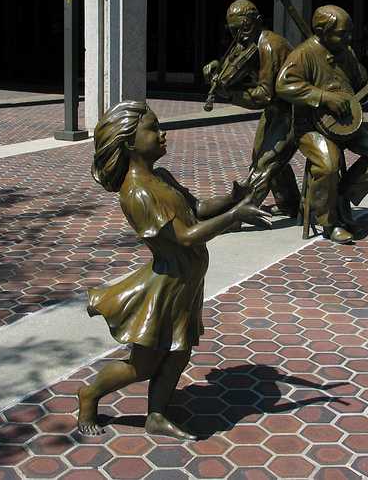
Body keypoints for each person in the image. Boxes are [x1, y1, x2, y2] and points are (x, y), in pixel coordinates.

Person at [79, 101, 270, 439]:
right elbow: (184, 236)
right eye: (152, 129)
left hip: (187, 282)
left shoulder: (160, 177)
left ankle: (157, 415)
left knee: (179, 352)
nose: (162, 133)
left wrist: (229, 199)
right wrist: (235, 216)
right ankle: (89, 396)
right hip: (165, 284)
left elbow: (196, 209)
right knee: (144, 363)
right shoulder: (137, 192)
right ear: (129, 143)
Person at [275, 5, 368, 244]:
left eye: (348, 33)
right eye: (342, 33)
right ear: (322, 31)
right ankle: (329, 221)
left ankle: (342, 193)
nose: (348, 38)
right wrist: (324, 97)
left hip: (348, 124)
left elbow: (360, 87)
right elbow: (283, 86)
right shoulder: (303, 54)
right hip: (311, 127)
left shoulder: (347, 52)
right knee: (328, 165)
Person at [203, 0, 300, 218]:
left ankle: (240, 212)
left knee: (267, 161)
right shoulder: (247, 43)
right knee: (265, 156)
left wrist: (231, 95)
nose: (238, 36)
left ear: (255, 22)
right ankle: (290, 203)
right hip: (276, 110)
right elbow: (232, 70)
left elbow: (264, 95)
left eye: (242, 29)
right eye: (233, 30)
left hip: (294, 110)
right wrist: (217, 69)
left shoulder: (270, 45)